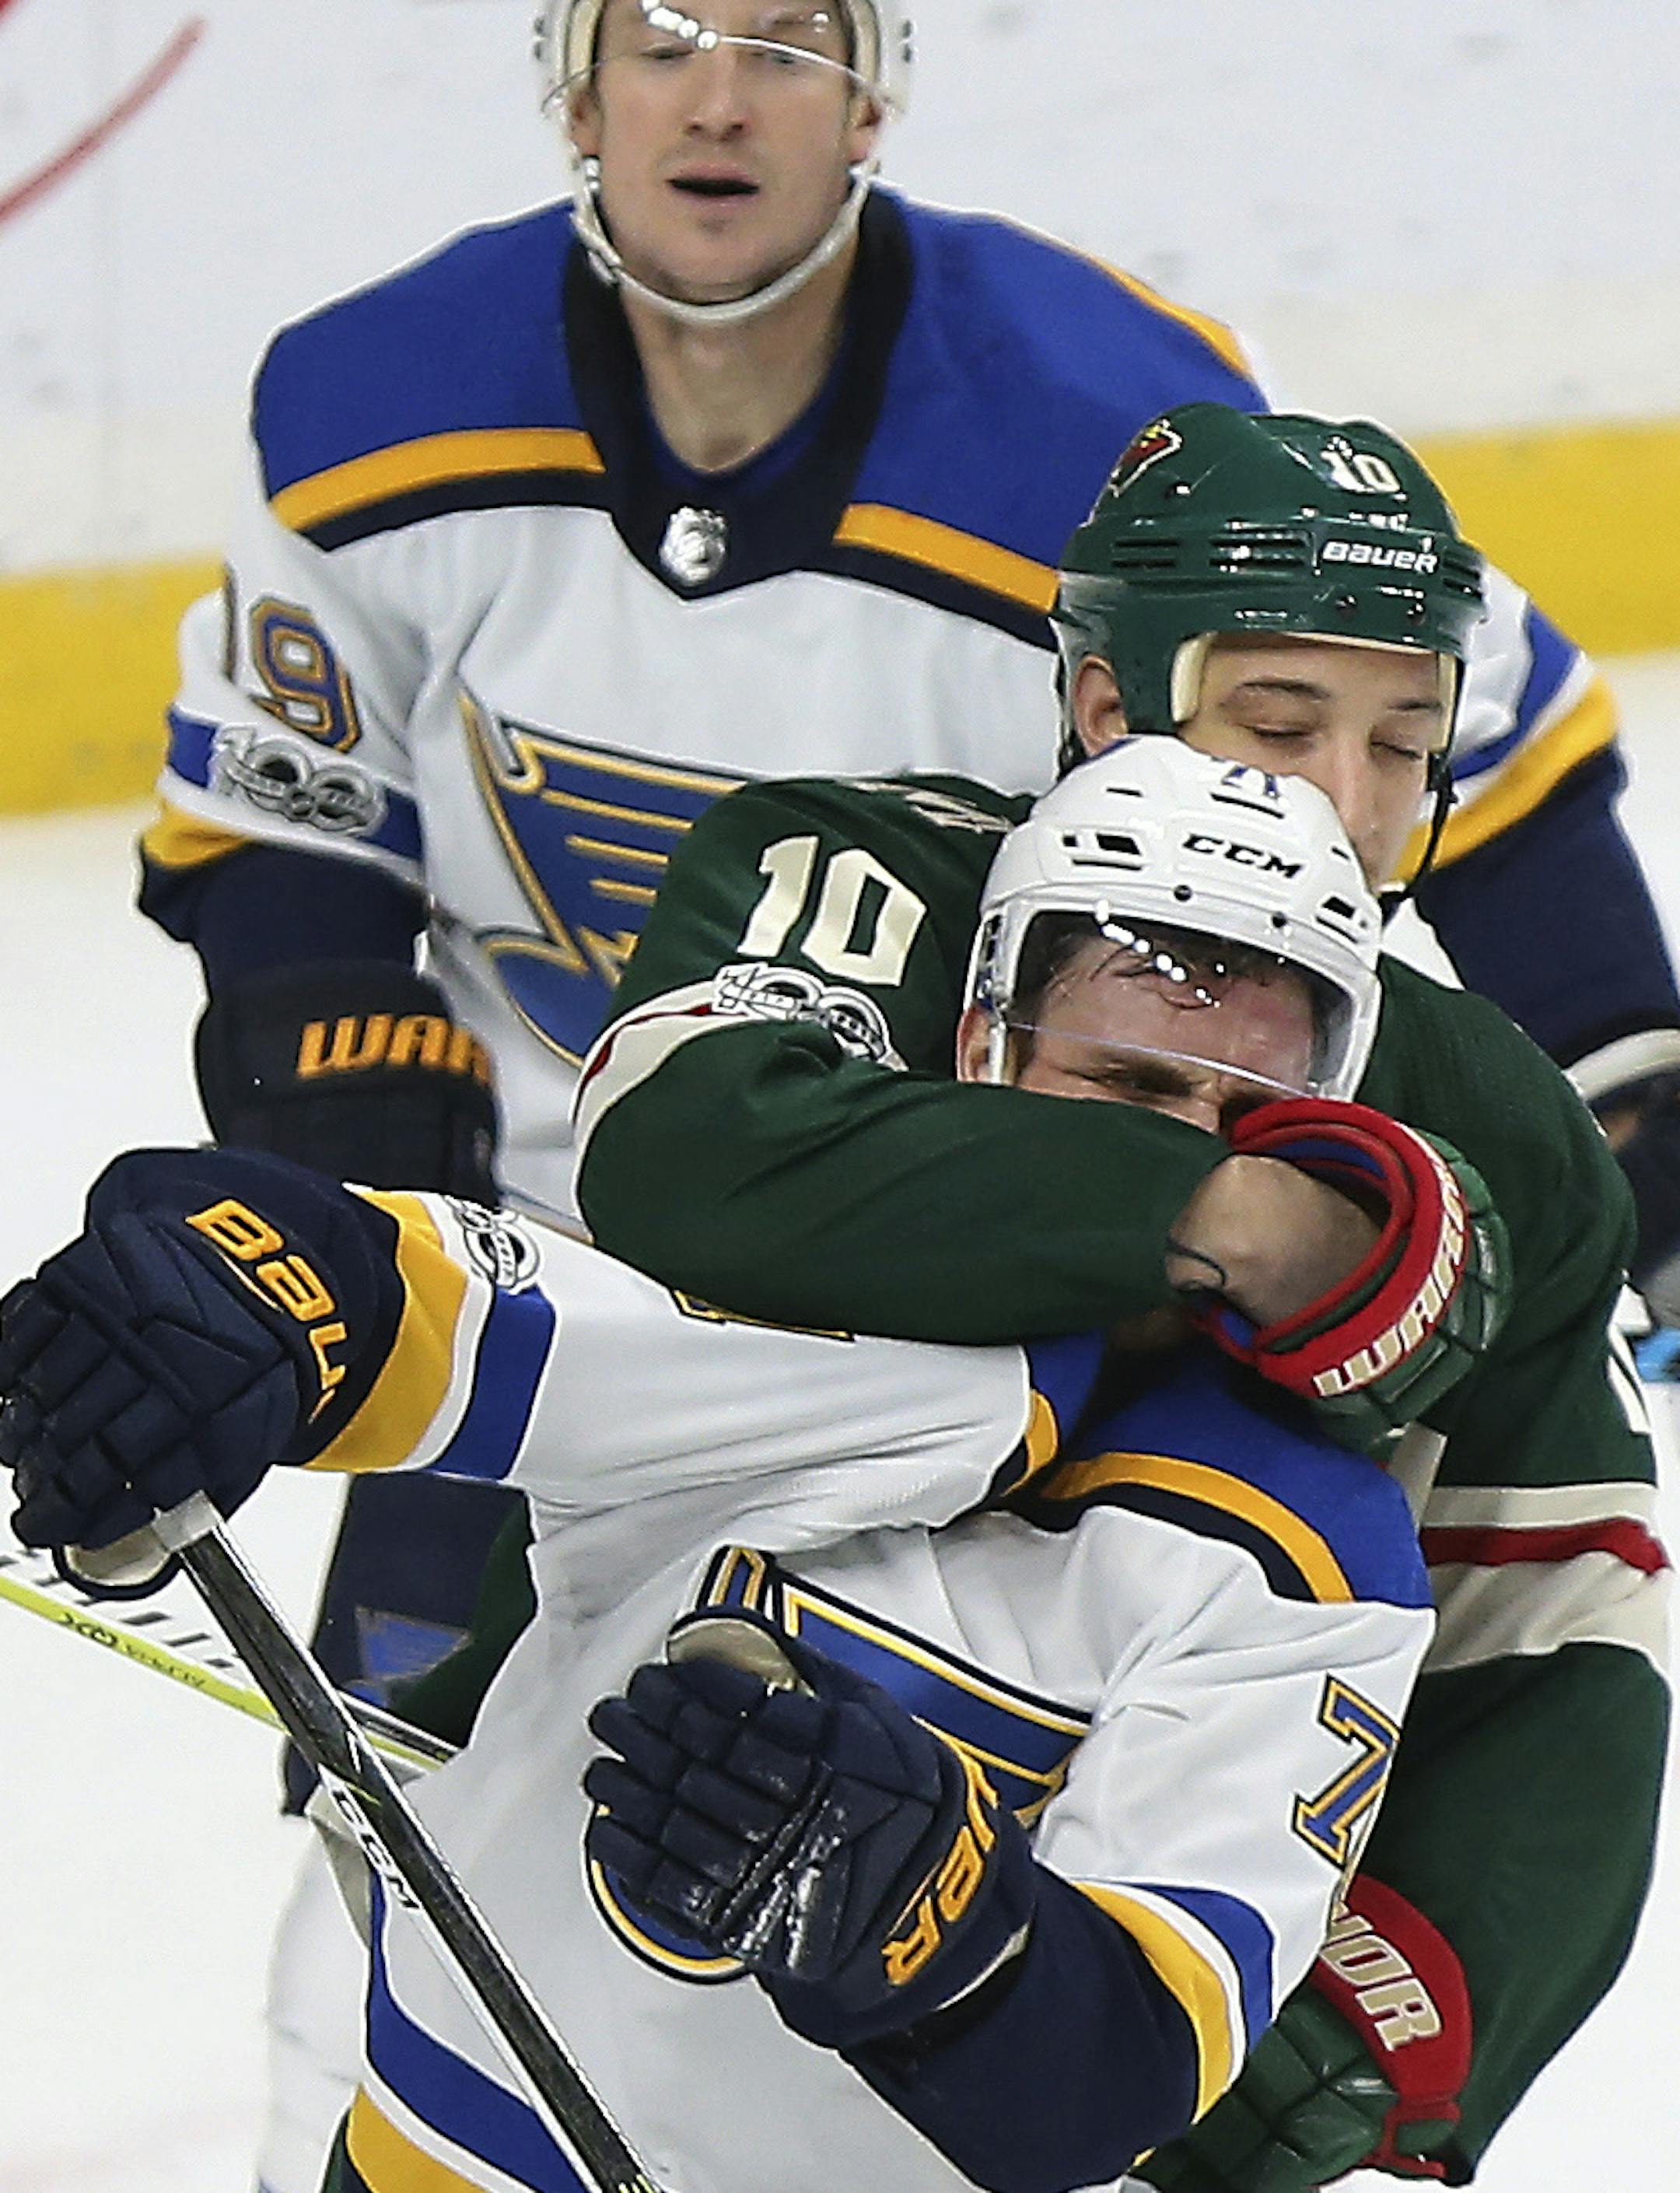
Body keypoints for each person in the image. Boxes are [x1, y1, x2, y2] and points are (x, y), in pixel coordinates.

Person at [134, 0, 1680, 1730]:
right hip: (530, 1247)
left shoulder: (1106, 417)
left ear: (871, 102)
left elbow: (1439, 713)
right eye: (662, 40)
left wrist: (1622, 1062)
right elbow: (289, 795)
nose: (720, 100)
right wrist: (319, 1016)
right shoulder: (372, 398)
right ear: (576, 93)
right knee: (403, 1799)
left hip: (944, 1250)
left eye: (788, 44)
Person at [0, 745, 1460, 2193]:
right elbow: (451, 1320)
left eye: (1246, 1124)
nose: (1192, 1167)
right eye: (1130, 1084)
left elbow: (1117, 2076)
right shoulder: (809, 1279)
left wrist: (937, 1924)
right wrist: (249, 1289)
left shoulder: (1306, 1554)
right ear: (985, 1047)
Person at [570, 405, 1671, 2188]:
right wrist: (1221, 1215)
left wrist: (1399, 2000)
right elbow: (692, 1148)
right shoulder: (870, 878)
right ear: (1104, 705)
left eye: (1405, 741)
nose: (1350, 803)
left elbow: (1563, 1613)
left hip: (1030, 1979)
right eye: (1280, 725)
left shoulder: (1497, 1125)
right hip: (632, 1796)